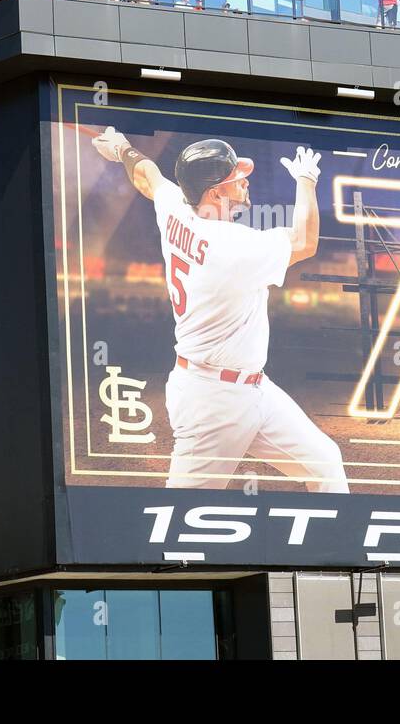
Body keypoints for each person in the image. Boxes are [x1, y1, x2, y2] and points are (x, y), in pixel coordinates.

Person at [90, 128, 349, 494]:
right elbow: (305, 242)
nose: (244, 181)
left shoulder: (177, 209)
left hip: (255, 389)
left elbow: (147, 175)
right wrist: (306, 181)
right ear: (214, 193)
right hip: (210, 400)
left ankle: (337, 548)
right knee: (182, 514)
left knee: (326, 463)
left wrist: (122, 150)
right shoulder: (231, 246)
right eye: (235, 178)